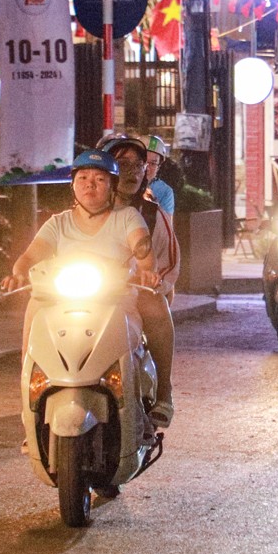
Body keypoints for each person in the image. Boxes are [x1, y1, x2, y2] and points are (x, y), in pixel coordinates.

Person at [0, 150, 165, 414]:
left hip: (116, 298)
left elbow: (143, 253)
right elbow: (31, 255)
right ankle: (31, 408)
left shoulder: (128, 217)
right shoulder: (58, 223)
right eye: (83, 177)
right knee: (34, 311)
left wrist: (147, 271)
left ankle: (163, 396)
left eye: (99, 179)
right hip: (62, 298)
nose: (90, 184)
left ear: (112, 185)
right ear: (73, 185)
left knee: (157, 309)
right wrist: (18, 273)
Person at [97, 133, 180, 429]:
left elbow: (166, 258)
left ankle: (164, 392)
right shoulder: (79, 211)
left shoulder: (152, 213)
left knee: (154, 305)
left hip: (133, 291)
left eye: (138, 164)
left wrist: (154, 279)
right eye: (122, 163)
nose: (132, 171)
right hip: (87, 292)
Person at [142, 135, 176, 216]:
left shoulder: (165, 192)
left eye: (153, 164)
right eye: (143, 162)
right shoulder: (124, 184)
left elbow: (165, 224)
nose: (147, 168)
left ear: (159, 166)